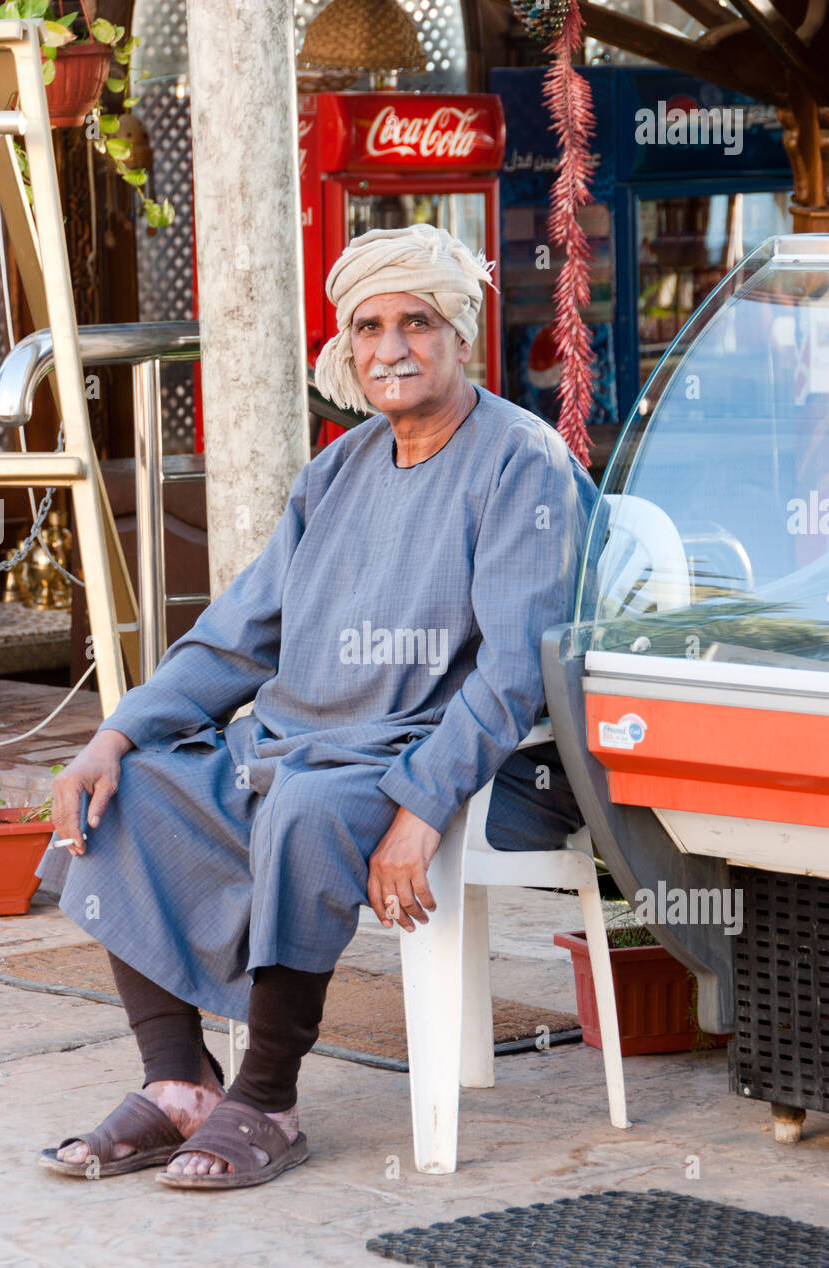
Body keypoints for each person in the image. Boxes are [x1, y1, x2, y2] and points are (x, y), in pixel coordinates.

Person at [35, 223, 596, 1191]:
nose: (391, 348)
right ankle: (179, 1084)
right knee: (126, 795)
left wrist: (421, 806)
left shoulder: (522, 463)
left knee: (300, 811)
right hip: (297, 747)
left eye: (417, 321)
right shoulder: (335, 471)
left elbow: (513, 672)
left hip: (435, 763)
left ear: (461, 333)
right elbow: (234, 635)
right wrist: (115, 733)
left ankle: (269, 1097)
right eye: (370, 326)